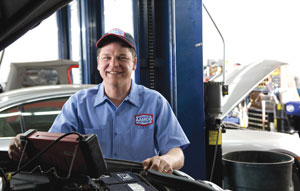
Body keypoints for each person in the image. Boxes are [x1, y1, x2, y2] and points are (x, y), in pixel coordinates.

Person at [8, 28, 190, 174]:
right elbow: (52, 147)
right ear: (98, 63)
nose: (114, 64)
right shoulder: (78, 104)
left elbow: (177, 153)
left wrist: (166, 160)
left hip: (144, 189)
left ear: (134, 63)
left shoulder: (155, 102)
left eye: (122, 58)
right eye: (107, 58)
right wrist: (25, 145)